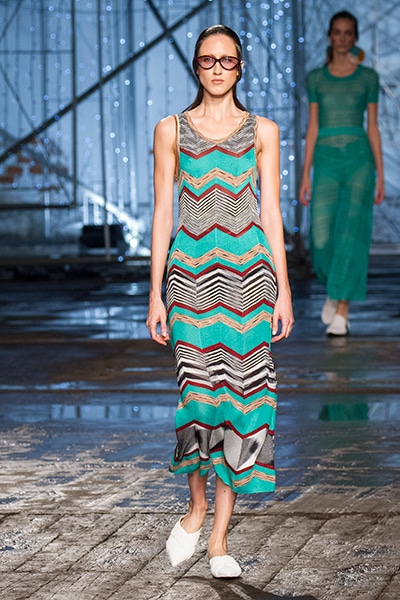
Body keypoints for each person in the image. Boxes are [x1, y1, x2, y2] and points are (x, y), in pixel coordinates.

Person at [146, 24, 294, 578]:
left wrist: (283, 288)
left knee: (244, 401)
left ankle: (220, 539)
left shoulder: (263, 130)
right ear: (196, 66)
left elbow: (271, 211)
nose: (217, 69)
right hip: (189, 278)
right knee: (198, 396)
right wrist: (155, 292)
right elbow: (163, 213)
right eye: (208, 60)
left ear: (240, 67)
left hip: (249, 278)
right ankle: (197, 507)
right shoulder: (170, 129)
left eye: (227, 60)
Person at [299, 11, 385, 336]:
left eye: (348, 32)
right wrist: (305, 174)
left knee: (351, 231)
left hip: (360, 160)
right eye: (337, 32)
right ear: (330, 36)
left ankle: (343, 310)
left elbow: (373, 127)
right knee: (321, 237)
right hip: (325, 158)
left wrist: (381, 173)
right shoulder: (316, 79)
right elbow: (312, 127)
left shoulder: (368, 78)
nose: (343, 37)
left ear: (355, 37)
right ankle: (334, 289)